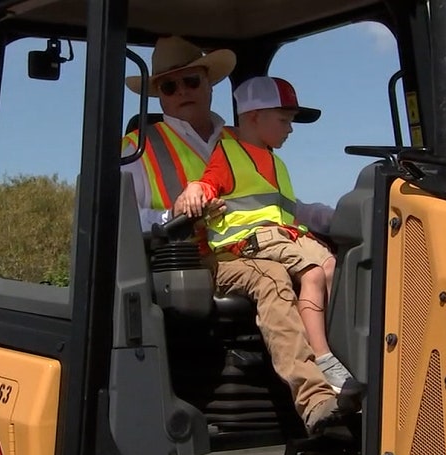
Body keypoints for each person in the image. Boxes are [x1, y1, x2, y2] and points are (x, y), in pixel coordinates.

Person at [122, 37, 362, 434]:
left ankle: (356, 377)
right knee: (272, 278)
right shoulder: (139, 149)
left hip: (254, 246)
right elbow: (125, 218)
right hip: (189, 260)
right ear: (158, 96)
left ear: (210, 83)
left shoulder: (242, 140)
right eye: (169, 86)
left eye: (192, 81)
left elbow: (278, 203)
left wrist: (345, 217)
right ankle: (316, 400)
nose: (183, 92)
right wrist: (175, 214)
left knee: (344, 264)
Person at [172, 76, 354, 393]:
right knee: (310, 274)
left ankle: (345, 356)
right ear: (254, 116)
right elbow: (208, 183)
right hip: (248, 245)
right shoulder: (228, 153)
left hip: (286, 236)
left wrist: (344, 217)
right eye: (284, 120)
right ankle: (323, 357)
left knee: (333, 267)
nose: (290, 129)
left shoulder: (275, 162)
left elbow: (291, 208)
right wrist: (194, 189)